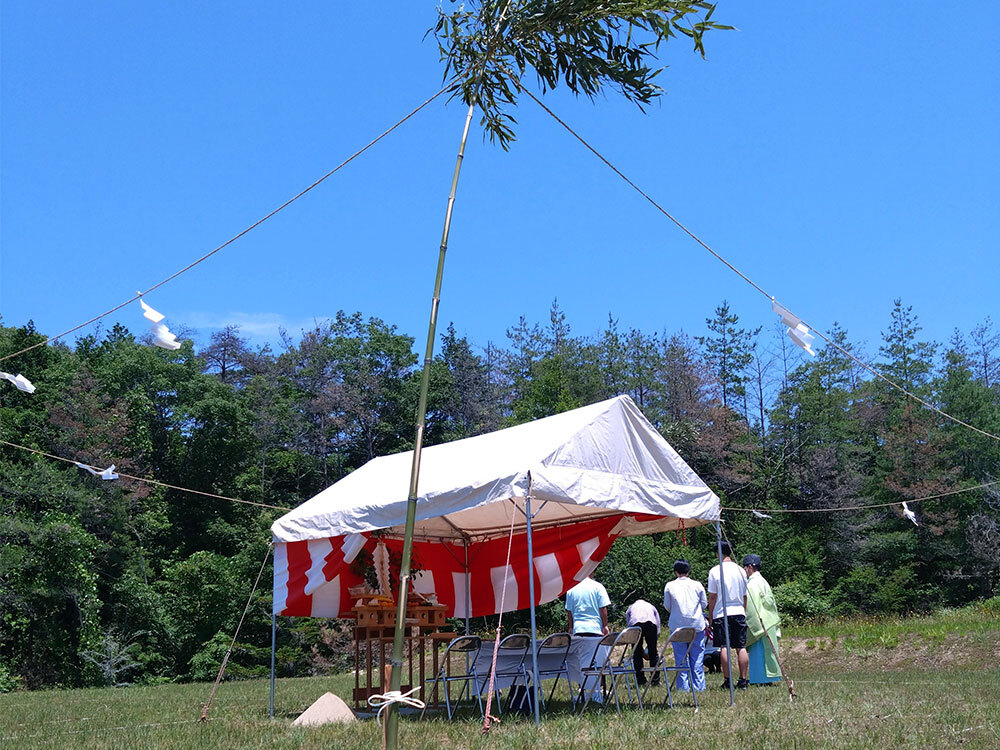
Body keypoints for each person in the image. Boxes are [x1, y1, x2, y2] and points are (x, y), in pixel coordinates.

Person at [707, 541, 749, 690]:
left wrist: (711, 616)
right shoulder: (741, 570)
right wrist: (743, 610)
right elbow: (745, 595)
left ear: (718, 553)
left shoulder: (715, 571)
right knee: (741, 646)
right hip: (738, 611)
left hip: (721, 612)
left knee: (724, 647)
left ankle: (727, 679)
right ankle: (743, 680)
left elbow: (712, 597)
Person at [662, 559, 708, 692]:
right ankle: (699, 686)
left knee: (680, 657)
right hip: (696, 625)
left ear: (676, 572)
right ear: (688, 571)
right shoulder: (697, 585)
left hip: (677, 625)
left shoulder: (670, 586)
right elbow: (704, 604)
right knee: (697, 656)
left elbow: (667, 606)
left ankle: (683, 687)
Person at [565, 575, 611, 703]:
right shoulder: (598, 587)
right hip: (594, 628)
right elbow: (603, 608)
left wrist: (571, 627)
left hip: (579, 629)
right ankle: (598, 689)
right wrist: (605, 625)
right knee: (597, 660)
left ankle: (583, 690)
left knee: (581, 661)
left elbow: (569, 611)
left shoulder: (571, 588)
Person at [743, 554, 782, 685]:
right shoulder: (763, 581)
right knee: (769, 651)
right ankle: (769, 678)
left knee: (760, 652)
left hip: (760, 622)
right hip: (770, 619)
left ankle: (761, 679)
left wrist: (750, 624)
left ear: (749, 567)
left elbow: (751, 606)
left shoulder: (752, 583)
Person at [625, 598, 660, 686]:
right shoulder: (651, 606)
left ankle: (640, 680)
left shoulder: (631, 607)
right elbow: (657, 621)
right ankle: (655, 679)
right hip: (650, 624)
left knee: (637, 653)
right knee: (653, 653)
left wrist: (632, 637)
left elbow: (629, 622)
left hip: (635, 624)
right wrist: (657, 635)